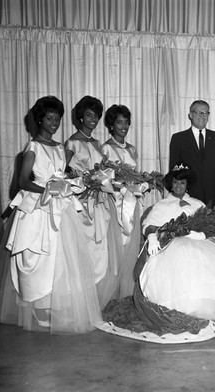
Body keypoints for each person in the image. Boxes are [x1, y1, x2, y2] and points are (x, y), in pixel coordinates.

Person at [0, 96, 102, 333]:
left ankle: (52, 304)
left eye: (57, 119)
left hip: (60, 206)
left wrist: (74, 182)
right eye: (49, 118)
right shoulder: (32, 148)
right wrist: (48, 188)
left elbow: (63, 174)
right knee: (38, 256)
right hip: (37, 208)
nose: (54, 123)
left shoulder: (59, 148)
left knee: (59, 257)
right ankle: (36, 306)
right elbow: (23, 181)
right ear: (40, 120)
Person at [139, 165, 215, 321]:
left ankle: (203, 305)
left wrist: (202, 234)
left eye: (182, 183)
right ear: (171, 184)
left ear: (187, 184)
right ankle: (180, 305)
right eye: (175, 182)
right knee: (178, 262)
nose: (178, 186)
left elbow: (210, 225)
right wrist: (151, 237)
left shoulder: (197, 203)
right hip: (171, 244)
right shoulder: (162, 205)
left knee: (202, 261)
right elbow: (150, 225)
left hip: (197, 242)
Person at [66, 96, 122, 309]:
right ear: (80, 116)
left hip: (100, 201)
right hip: (84, 201)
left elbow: (101, 169)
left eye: (96, 115)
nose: (93, 119)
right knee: (85, 247)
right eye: (89, 115)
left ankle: (97, 297)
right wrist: (84, 182)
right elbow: (65, 173)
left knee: (101, 249)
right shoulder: (72, 142)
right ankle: (81, 298)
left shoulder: (97, 143)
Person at [101, 104, 146, 299]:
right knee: (115, 245)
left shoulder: (133, 149)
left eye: (126, 123)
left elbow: (135, 175)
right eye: (119, 122)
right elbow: (103, 178)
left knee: (131, 245)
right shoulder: (105, 148)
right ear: (111, 125)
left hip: (132, 202)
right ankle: (112, 291)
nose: (124, 126)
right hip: (115, 202)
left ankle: (127, 290)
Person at [169, 100, 215, 205]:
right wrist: (178, 199)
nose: (203, 116)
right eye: (199, 112)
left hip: (214, 199)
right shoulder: (178, 138)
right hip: (188, 199)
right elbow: (174, 172)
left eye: (206, 113)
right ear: (190, 115)